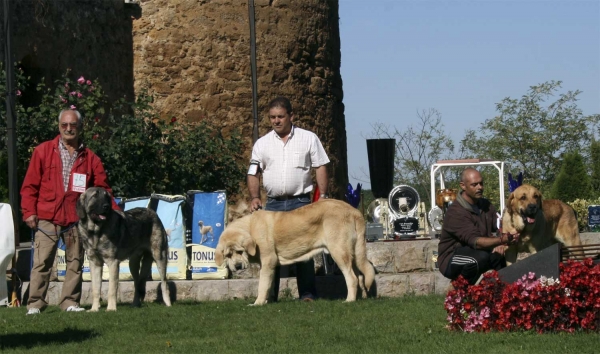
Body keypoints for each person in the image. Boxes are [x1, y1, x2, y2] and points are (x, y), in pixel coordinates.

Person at [21, 109, 118, 315]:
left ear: (80, 128)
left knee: (75, 262)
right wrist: (29, 211)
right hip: (47, 216)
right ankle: (35, 304)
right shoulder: (43, 151)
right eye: (64, 125)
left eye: (73, 125)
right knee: (42, 262)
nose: (68, 129)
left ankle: (70, 302)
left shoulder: (91, 158)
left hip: (76, 219)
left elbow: (103, 190)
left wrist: (116, 212)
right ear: (59, 127)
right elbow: (29, 185)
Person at [247, 96, 330, 302]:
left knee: (304, 249)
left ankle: (308, 294)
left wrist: (324, 196)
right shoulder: (262, 144)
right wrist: (255, 197)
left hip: (301, 202)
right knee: (269, 252)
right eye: (272, 117)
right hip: (273, 204)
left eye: (280, 117)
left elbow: (320, 166)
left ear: (291, 116)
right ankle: (269, 296)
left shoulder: (308, 138)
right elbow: (253, 172)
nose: (276, 121)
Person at [437, 168, 519, 284]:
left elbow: (499, 226)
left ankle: (503, 293)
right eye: (474, 185)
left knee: (499, 258)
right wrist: (501, 240)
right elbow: (476, 242)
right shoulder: (456, 212)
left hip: (480, 251)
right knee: (479, 259)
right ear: (463, 186)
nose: (479, 187)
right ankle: (459, 289)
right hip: (452, 257)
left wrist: (503, 242)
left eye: (481, 183)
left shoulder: (487, 205)